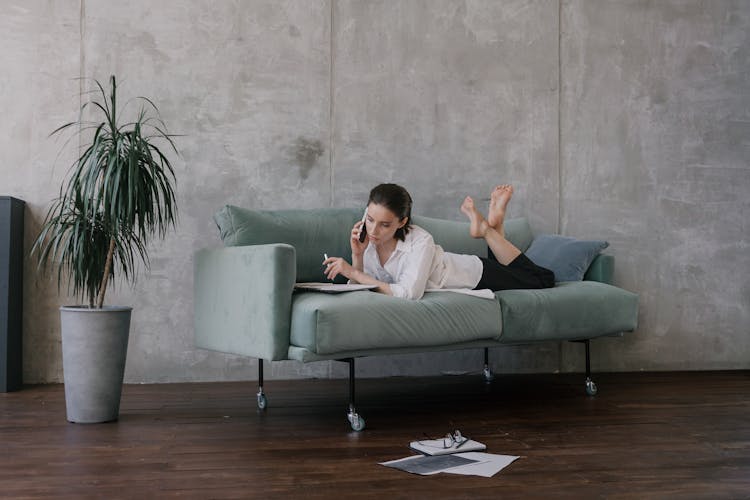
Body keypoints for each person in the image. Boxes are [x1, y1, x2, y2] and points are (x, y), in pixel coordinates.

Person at [322, 183, 555, 300]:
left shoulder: (420, 240)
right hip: (471, 272)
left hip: (475, 274)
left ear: (402, 222)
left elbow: (408, 294)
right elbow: (360, 292)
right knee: (512, 270)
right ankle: (494, 225)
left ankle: (485, 228)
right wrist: (358, 255)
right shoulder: (367, 243)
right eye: (370, 220)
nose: (373, 230)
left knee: (543, 280)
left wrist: (352, 271)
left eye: (385, 225)